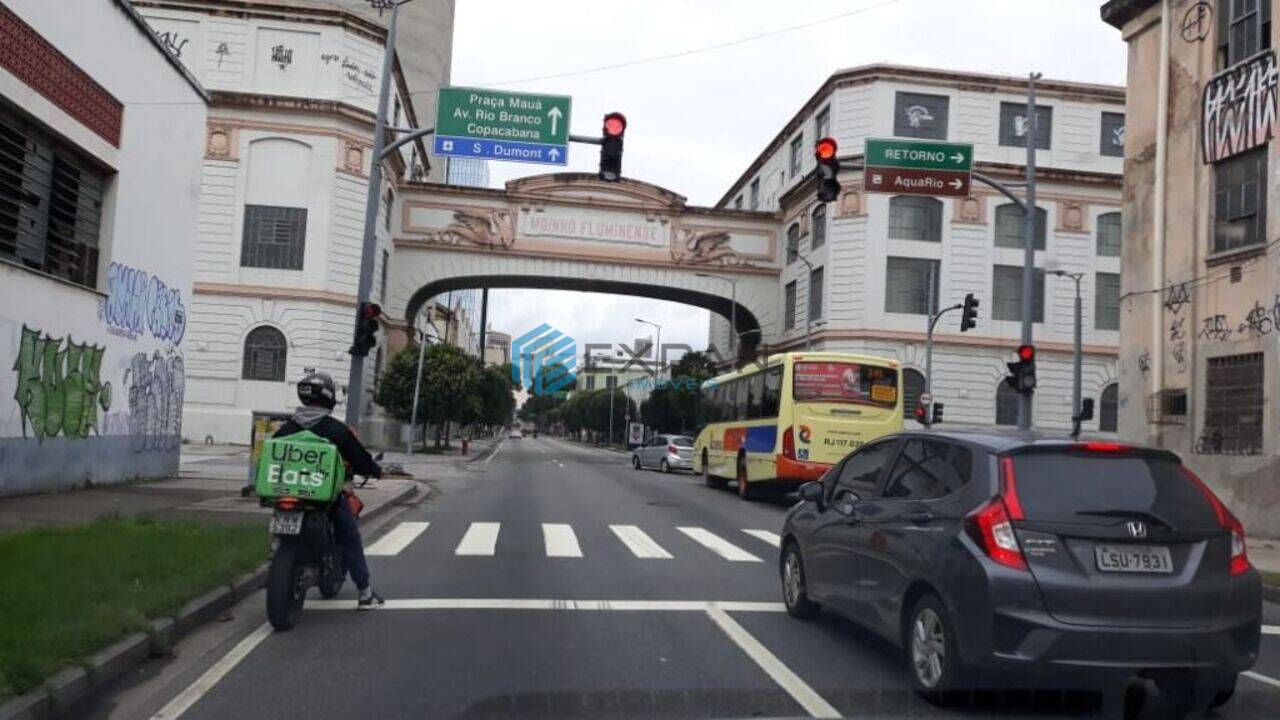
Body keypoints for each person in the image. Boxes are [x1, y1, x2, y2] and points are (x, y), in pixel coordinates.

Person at [273, 371, 385, 610]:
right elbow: (360, 460)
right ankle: (365, 593)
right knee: (350, 538)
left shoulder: (284, 431)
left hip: (285, 495)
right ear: (328, 398)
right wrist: (375, 470)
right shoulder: (336, 430)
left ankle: (276, 552)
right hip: (325, 500)